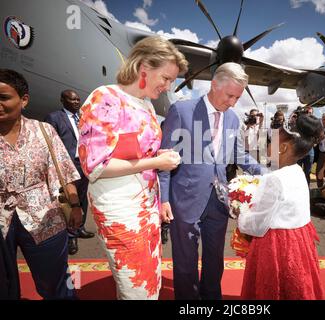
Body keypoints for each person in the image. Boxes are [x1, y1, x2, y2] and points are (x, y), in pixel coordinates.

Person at [78, 36, 188, 300]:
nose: (168, 86)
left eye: (172, 80)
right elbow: (95, 165)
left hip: (147, 208)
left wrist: (156, 155)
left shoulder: (147, 106)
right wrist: (156, 162)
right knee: (136, 288)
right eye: (165, 78)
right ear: (143, 68)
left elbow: (136, 153)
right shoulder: (104, 98)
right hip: (121, 211)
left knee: (150, 283)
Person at [158, 62, 260, 300]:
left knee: (215, 258)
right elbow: (165, 158)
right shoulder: (182, 110)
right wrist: (163, 199)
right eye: (230, 95)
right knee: (186, 260)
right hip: (185, 199)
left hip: (219, 199)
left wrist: (267, 172)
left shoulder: (233, 118)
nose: (233, 102)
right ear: (214, 84)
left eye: (237, 97)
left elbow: (239, 154)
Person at [0, 69, 82, 299]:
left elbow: (64, 171)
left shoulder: (43, 130)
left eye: (4, 98)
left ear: (23, 100)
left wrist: (75, 205)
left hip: (44, 218)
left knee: (56, 283)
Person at [238, 114, 324, 300]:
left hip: (276, 245)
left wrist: (240, 212)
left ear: (283, 148)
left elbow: (257, 225)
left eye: (271, 141)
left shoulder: (274, 179)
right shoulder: (298, 171)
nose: (267, 145)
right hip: (299, 240)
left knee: (274, 287)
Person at [45, 90, 95, 256]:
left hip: (83, 164)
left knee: (82, 199)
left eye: (78, 99)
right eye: (72, 99)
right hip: (67, 165)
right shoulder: (54, 118)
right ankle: (71, 235)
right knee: (69, 200)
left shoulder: (83, 117)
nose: (76, 102)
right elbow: (50, 144)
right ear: (62, 100)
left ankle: (80, 228)